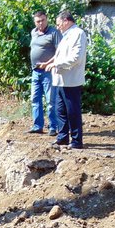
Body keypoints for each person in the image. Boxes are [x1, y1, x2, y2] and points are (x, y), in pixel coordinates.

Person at [44, 11, 87, 149]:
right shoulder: (66, 35)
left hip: (71, 81)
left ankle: (76, 141)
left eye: (59, 24)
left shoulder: (78, 34)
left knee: (72, 111)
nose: (57, 27)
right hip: (61, 80)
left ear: (66, 21)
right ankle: (62, 137)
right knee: (60, 111)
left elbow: (76, 58)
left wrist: (57, 64)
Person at [28, 10, 61, 136]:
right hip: (35, 71)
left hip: (48, 71)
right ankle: (38, 126)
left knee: (50, 101)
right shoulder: (34, 32)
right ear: (34, 22)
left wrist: (47, 64)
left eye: (42, 20)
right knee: (35, 99)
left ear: (46, 19)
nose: (40, 23)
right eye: (38, 21)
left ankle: (54, 127)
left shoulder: (54, 33)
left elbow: (59, 52)